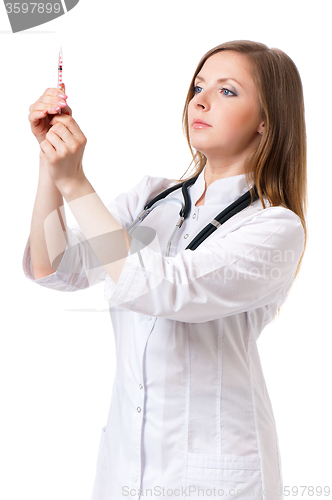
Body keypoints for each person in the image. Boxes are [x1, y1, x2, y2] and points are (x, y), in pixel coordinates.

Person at [23, 40, 307, 500]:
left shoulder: (274, 226)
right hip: (124, 468)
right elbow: (54, 265)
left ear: (266, 121)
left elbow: (164, 289)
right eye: (198, 86)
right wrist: (51, 165)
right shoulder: (152, 197)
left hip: (216, 478)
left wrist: (76, 182)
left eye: (228, 91)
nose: (201, 99)